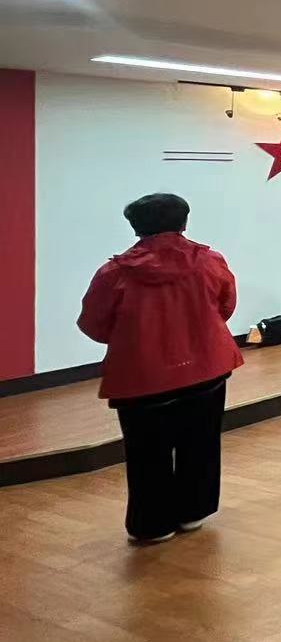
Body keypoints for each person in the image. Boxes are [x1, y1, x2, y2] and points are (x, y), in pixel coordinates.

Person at [77, 193, 242, 544]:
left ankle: (152, 524)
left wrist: (133, 339)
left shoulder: (113, 274)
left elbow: (93, 324)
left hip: (143, 377)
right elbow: (225, 305)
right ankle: (193, 511)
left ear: (136, 227)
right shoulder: (210, 261)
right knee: (201, 444)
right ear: (184, 222)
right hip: (206, 368)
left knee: (146, 453)